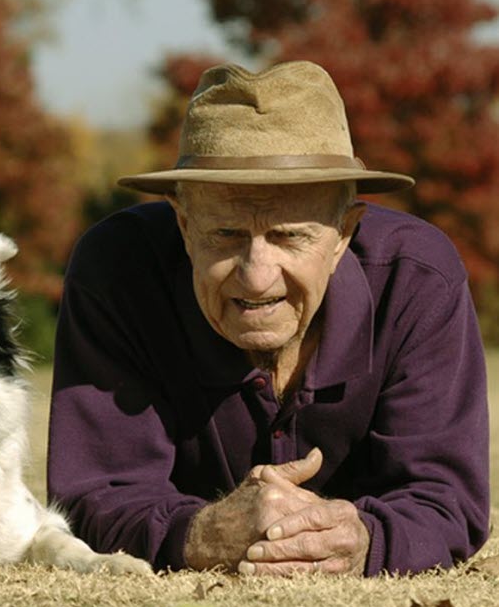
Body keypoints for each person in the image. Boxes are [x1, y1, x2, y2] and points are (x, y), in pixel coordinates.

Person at [46, 61, 490, 576]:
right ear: (184, 224)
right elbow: (94, 495)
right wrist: (201, 535)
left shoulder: (418, 280)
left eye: (289, 236)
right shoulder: (117, 271)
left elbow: (446, 500)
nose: (257, 277)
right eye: (226, 234)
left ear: (344, 232)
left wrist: (363, 539)